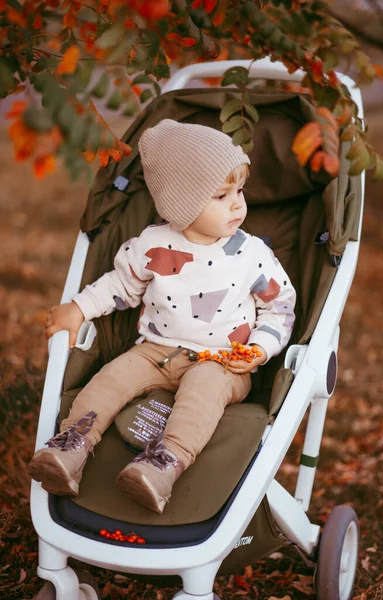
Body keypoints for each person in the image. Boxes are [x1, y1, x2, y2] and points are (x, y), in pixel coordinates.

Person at [28, 119, 296, 514]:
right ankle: (71, 446)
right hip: (156, 349)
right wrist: (80, 307)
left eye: (239, 190)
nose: (238, 203)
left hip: (222, 361)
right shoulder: (152, 244)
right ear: (180, 203)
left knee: (203, 393)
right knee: (112, 378)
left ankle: (162, 465)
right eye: (221, 195)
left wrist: (261, 347)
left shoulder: (251, 254)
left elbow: (280, 306)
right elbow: (120, 286)